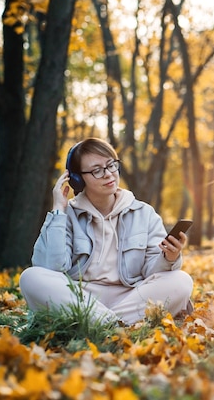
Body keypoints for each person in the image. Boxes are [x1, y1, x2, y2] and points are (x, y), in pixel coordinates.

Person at [19, 138, 193, 325]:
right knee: (30, 277)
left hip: (131, 297)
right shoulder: (67, 215)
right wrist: (58, 211)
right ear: (77, 179)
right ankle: (116, 324)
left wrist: (169, 258)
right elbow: (51, 268)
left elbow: (153, 273)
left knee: (181, 280)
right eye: (97, 170)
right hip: (80, 297)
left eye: (111, 165)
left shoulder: (144, 213)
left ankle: (98, 324)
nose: (108, 174)